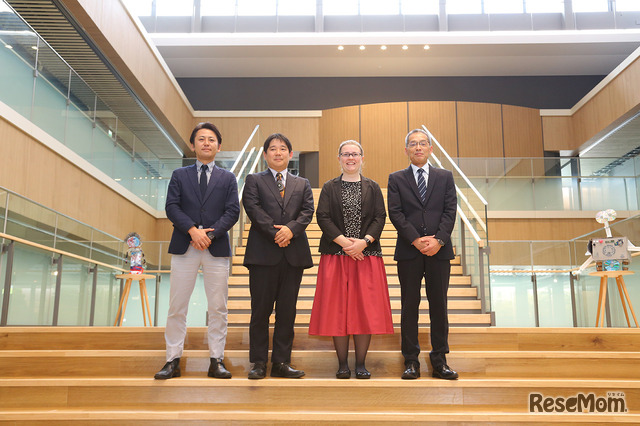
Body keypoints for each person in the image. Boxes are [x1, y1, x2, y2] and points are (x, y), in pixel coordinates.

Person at [154, 122, 240, 380]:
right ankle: (172, 360)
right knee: (177, 306)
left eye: (211, 139)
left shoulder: (228, 178)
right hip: (185, 246)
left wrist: (210, 234)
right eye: (201, 139)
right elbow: (172, 207)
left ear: (219, 146)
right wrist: (193, 231)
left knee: (218, 307)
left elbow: (233, 211)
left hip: (216, 248)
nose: (206, 143)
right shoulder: (180, 175)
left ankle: (216, 360)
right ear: (193, 145)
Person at [309, 140, 393, 379]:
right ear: (339, 159)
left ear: (362, 158)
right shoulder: (328, 187)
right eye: (346, 154)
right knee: (337, 309)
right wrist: (346, 243)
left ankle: (361, 364)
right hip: (336, 255)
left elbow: (380, 217)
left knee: (363, 310)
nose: (350, 158)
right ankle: (343, 364)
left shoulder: (373, 187)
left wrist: (363, 242)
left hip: (366, 256)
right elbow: (322, 217)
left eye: (355, 154)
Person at [387, 129, 459, 380]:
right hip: (409, 251)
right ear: (405, 150)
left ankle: (440, 360)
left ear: (430, 149)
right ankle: (410, 361)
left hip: (440, 251)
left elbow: (451, 210)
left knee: (439, 306)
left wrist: (439, 240)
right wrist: (416, 240)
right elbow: (395, 213)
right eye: (413, 144)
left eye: (423, 143)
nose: (418, 147)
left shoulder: (445, 176)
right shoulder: (396, 178)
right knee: (410, 306)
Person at [242, 133, 315, 379]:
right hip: (263, 253)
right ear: (265, 155)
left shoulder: (302, 183)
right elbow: (252, 208)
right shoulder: (254, 180)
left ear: (290, 154)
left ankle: (282, 363)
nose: (277, 152)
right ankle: (259, 363)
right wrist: (276, 232)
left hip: (292, 256)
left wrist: (290, 230)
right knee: (260, 311)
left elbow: (307, 211)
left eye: (282, 148)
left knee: (287, 311)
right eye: (272, 149)